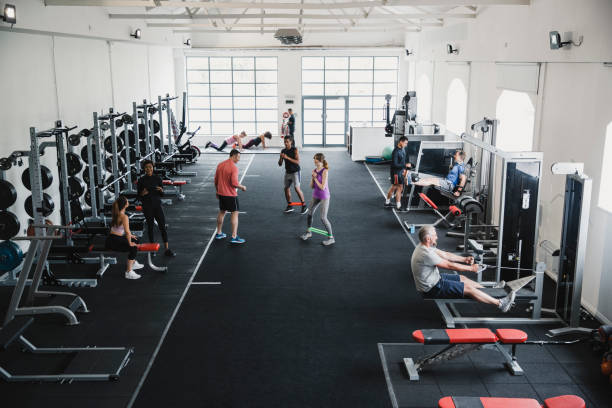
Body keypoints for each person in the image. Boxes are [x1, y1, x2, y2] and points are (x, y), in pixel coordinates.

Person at [411, 225, 515, 312]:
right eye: (435, 235)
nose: (437, 237)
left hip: (434, 279)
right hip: (432, 288)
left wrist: (464, 259)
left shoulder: (424, 246)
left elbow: (446, 255)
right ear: (428, 239)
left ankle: (489, 291)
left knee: (462, 278)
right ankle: (500, 304)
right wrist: (472, 269)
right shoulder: (426, 253)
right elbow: (449, 266)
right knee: (468, 288)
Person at [137, 160, 175, 257]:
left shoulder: (158, 178)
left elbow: (161, 194)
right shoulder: (141, 180)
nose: (148, 169)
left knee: (162, 227)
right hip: (147, 207)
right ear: (144, 169)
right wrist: (142, 194)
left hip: (157, 206)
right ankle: (152, 249)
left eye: (150, 167)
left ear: (153, 167)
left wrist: (161, 190)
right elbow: (138, 197)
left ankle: (167, 249)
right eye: (146, 167)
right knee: (150, 227)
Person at [106, 195, 143, 280]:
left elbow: (119, 230)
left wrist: (131, 237)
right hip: (114, 241)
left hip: (112, 238)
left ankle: (133, 263)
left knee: (136, 239)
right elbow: (127, 231)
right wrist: (130, 242)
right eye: (127, 201)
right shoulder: (124, 217)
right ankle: (128, 272)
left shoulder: (117, 213)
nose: (128, 202)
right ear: (125, 204)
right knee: (133, 247)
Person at [214, 149, 247, 244]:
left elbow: (216, 181)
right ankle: (234, 236)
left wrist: (217, 191)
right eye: (239, 157)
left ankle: (219, 233)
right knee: (235, 212)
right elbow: (234, 183)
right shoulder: (233, 167)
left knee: (222, 212)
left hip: (221, 194)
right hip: (230, 195)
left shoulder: (220, 164)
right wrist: (242, 187)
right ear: (234, 155)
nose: (239, 159)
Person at [301, 153, 334, 246]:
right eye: (314, 159)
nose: (314, 161)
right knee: (309, 214)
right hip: (316, 195)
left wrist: (315, 178)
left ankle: (331, 238)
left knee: (323, 218)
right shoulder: (314, 170)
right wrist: (312, 178)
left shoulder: (325, 171)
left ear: (320, 160)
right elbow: (312, 186)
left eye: (315, 159)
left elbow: (322, 187)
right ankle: (309, 232)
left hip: (324, 196)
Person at [278, 136, 307, 214]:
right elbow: (280, 164)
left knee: (297, 188)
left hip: (295, 172)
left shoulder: (295, 149)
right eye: (285, 142)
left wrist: (287, 158)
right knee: (286, 188)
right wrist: (281, 158)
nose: (285, 143)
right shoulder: (283, 150)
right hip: (288, 172)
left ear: (291, 142)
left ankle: (304, 205)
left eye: (287, 142)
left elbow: (297, 162)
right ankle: (290, 205)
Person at [385, 136, 412, 209]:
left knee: (394, 187)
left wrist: (405, 168)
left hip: (400, 172)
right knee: (399, 187)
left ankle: (387, 203)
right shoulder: (395, 152)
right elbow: (395, 164)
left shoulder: (403, 149)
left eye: (407, 143)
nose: (406, 145)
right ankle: (398, 206)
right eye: (405, 143)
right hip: (395, 173)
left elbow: (403, 161)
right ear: (401, 142)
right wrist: (405, 165)